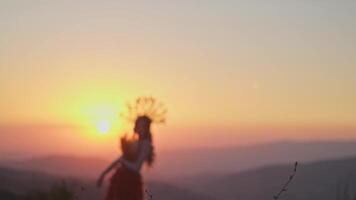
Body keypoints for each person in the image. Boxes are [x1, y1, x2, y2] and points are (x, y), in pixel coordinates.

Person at [97, 97, 166, 200]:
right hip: (120, 180)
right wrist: (103, 174)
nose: (138, 128)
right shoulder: (135, 142)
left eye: (141, 126)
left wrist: (123, 161)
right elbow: (119, 159)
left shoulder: (146, 145)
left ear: (146, 128)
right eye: (138, 125)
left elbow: (136, 167)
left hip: (130, 183)